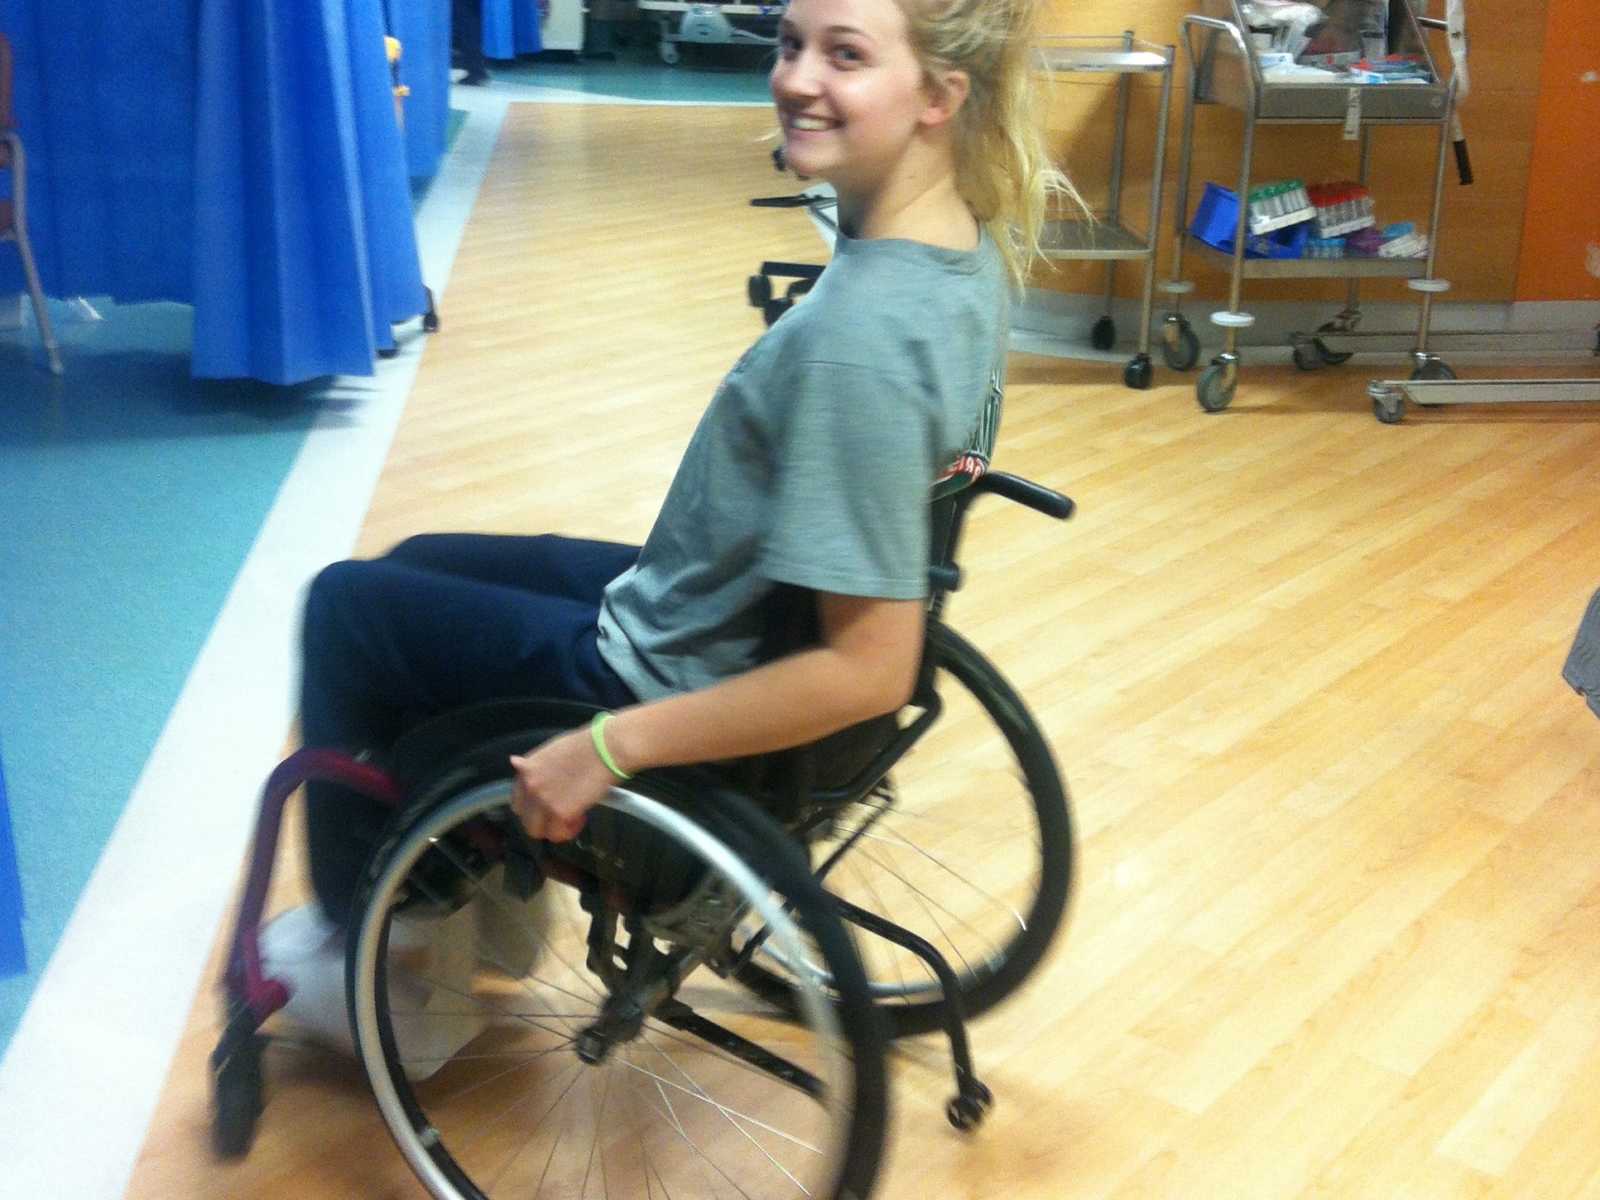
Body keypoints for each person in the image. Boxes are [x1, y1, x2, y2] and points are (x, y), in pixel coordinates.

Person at [265, 0, 1076, 1061]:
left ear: (938, 96)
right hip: (718, 601)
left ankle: (378, 945)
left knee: (347, 607)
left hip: (664, 669)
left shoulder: (856, 344)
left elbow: (868, 670)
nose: (796, 79)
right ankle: (480, 892)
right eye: (791, 45)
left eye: (845, 56)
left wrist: (608, 745)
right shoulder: (962, 255)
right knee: (420, 569)